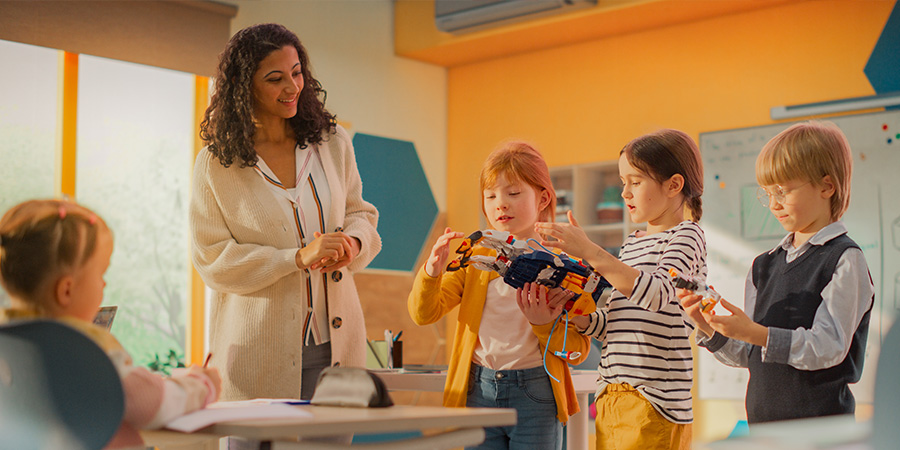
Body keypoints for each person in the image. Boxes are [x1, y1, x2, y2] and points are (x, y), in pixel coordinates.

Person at [190, 23, 381, 403]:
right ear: (245, 88)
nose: (293, 87)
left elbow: (361, 213)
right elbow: (211, 259)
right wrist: (294, 259)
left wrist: (353, 243)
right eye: (275, 78)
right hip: (256, 356)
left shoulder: (333, 142)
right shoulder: (216, 165)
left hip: (337, 352)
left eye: (297, 73)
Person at [680, 121, 874, 424]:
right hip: (765, 430)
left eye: (782, 191)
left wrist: (754, 332)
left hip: (821, 433)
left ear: (826, 186)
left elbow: (827, 348)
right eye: (767, 192)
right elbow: (753, 354)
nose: (773, 204)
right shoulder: (763, 266)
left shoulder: (844, 259)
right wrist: (709, 328)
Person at [408, 141, 590, 450]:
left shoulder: (564, 267)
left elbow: (578, 352)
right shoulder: (474, 258)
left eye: (514, 193)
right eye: (490, 195)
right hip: (479, 390)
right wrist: (432, 271)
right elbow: (423, 314)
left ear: (543, 197)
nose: (500, 204)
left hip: (537, 393)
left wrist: (543, 324)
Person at [0, 199, 221, 449]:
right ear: (66, 290)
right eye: (101, 275)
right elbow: (149, 403)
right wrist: (201, 385)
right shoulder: (83, 348)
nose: (104, 285)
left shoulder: (9, 344)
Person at [535, 129, 706, 450]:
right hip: (612, 395)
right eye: (622, 182)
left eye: (635, 182)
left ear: (674, 185)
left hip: (654, 401)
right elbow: (612, 325)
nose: (625, 193)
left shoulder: (687, 235)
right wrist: (577, 315)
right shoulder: (632, 245)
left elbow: (656, 294)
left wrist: (591, 251)